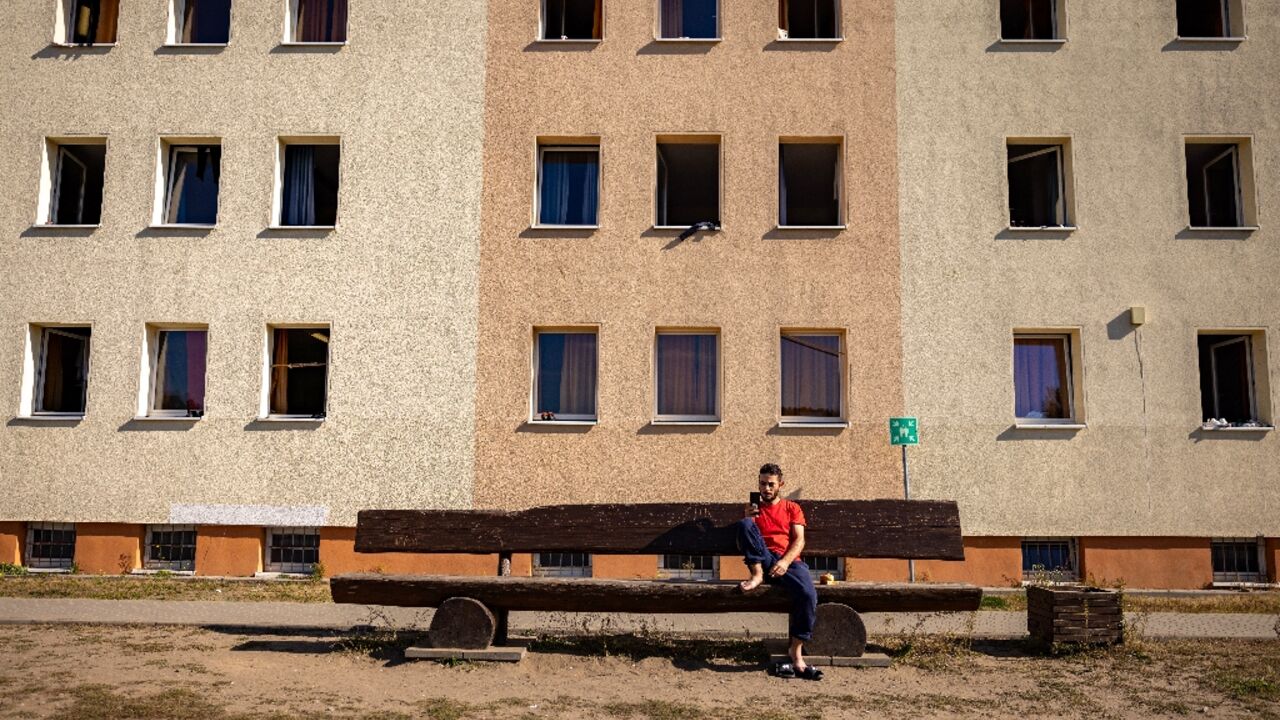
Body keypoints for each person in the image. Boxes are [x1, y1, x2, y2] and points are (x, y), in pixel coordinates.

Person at [737, 463, 822, 680]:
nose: (766, 488)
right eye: (762, 484)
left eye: (771, 484)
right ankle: (756, 575)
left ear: (780, 485)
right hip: (763, 558)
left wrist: (785, 562)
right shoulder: (754, 507)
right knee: (744, 525)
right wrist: (748, 518)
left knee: (808, 594)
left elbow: (799, 540)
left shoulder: (791, 508)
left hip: (789, 560)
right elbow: (747, 540)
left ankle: (796, 649)